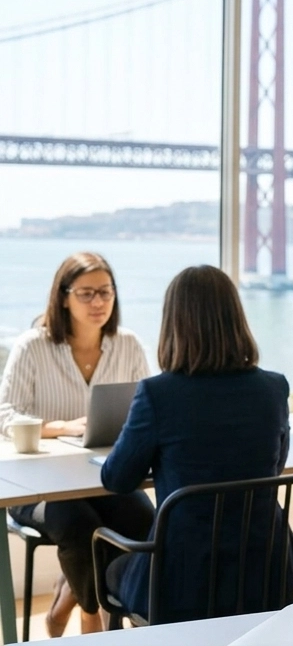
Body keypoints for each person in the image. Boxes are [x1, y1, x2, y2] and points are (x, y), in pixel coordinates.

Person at [100, 265, 293, 623]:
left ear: (173, 324)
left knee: (113, 567)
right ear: (236, 319)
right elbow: (274, 466)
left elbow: (116, 479)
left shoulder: (158, 395)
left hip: (185, 582)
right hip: (265, 574)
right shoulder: (273, 388)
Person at [0, 252, 154, 635]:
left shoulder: (128, 344)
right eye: (86, 294)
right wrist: (63, 427)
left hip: (104, 476)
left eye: (105, 292)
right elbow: (5, 415)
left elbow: (147, 410)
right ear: (63, 296)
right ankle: (94, 616)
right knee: (77, 525)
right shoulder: (32, 346)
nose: (98, 302)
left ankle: (73, 598)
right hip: (37, 487)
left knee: (145, 520)